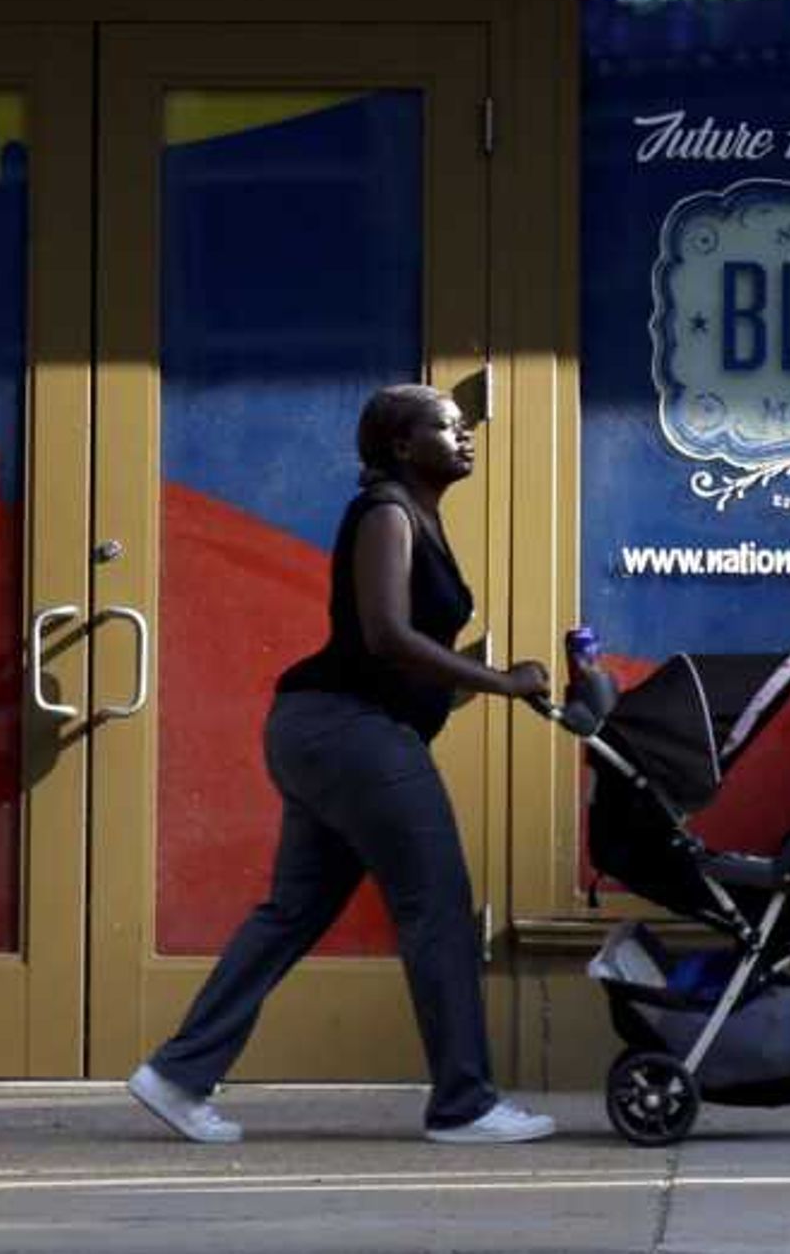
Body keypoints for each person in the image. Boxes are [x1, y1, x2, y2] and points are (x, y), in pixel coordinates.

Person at [125, 384, 558, 1147]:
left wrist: (461, 686)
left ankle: (178, 1072)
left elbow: (389, 655)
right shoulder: (388, 510)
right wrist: (497, 679)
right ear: (400, 443)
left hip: (331, 732)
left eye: (465, 427)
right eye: (448, 426)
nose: (466, 437)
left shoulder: (416, 514)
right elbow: (386, 634)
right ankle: (464, 1102)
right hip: (351, 732)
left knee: (292, 911)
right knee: (438, 906)